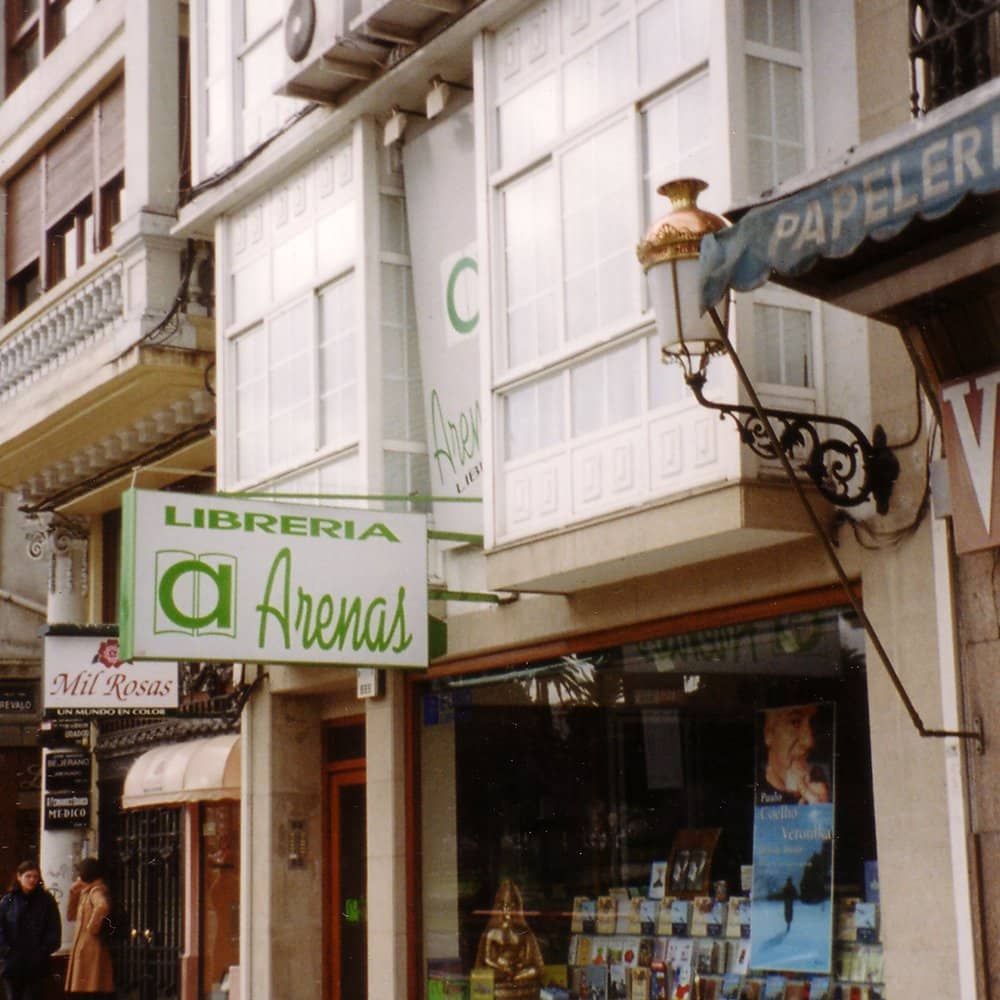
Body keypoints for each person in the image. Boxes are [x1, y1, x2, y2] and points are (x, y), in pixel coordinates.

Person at [0, 860, 61, 1000]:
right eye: (28, 876)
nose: (32, 880)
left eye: (35, 876)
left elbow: (54, 929)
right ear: (19, 877)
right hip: (12, 964)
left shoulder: (46, 901)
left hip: (36, 965)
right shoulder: (8, 901)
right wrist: (5, 950)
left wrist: (44, 950)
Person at [475, 880, 544, 1000]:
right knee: (484, 975)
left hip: (518, 971)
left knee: (534, 971)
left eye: (512, 905)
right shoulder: (491, 933)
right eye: (504, 905)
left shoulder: (523, 932)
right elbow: (486, 959)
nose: (507, 909)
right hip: (499, 969)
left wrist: (519, 966)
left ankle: (513, 978)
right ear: (499, 907)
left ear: (517, 907)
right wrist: (502, 968)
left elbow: (530, 959)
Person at [759, 704, 831, 805]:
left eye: (813, 723)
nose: (809, 741)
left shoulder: (823, 787)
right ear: (769, 733)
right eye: (795, 722)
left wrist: (820, 812)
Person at [65, 858, 114, 1000]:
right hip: (83, 947)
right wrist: (73, 894)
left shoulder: (96, 891)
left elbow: (102, 906)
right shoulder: (85, 892)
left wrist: (92, 928)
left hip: (91, 948)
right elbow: (71, 915)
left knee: (91, 989)